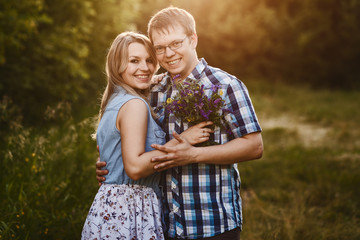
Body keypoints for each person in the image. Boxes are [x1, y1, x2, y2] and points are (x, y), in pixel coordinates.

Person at [96, 7, 263, 239]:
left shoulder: (225, 85)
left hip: (211, 221)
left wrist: (193, 155)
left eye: (176, 44)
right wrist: (112, 165)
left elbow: (254, 146)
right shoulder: (151, 90)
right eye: (160, 48)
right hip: (163, 223)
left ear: (193, 39)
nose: (168, 54)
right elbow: (126, 135)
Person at [82, 31, 213, 240]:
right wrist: (183, 140)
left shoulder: (115, 100)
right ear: (117, 65)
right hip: (129, 210)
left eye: (150, 60)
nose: (145, 68)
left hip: (109, 209)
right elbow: (134, 168)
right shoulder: (135, 105)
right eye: (134, 61)